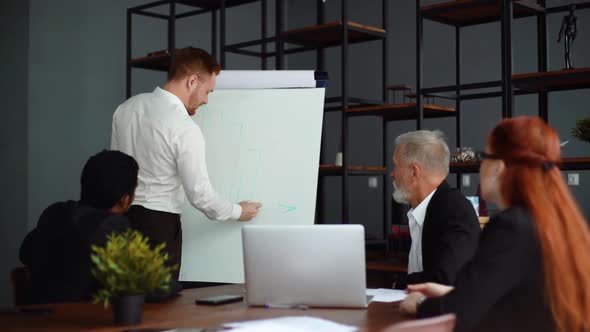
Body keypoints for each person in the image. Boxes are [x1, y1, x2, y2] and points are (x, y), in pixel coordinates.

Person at [400, 117, 590, 332]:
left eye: (484, 157)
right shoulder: (555, 221)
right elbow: (519, 298)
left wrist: (418, 303)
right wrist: (447, 293)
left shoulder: (511, 227)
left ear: (499, 167)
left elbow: (462, 310)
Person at [111, 47, 262, 280]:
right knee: (160, 307)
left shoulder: (126, 109)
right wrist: (238, 211)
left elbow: (114, 166)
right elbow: (200, 195)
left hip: (120, 222)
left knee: (125, 303)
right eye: (207, 91)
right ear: (192, 81)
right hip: (158, 227)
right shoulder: (184, 127)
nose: (206, 100)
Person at [20, 150, 138, 304]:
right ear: (125, 199)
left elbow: (25, 253)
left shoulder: (55, 213)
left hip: (34, 320)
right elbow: (140, 282)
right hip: (82, 323)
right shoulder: (112, 226)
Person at [391, 130, 480, 289]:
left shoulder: (455, 211)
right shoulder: (430, 208)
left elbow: (445, 279)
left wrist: (399, 283)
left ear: (413, 172)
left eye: (396, 166)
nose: (392, 174)